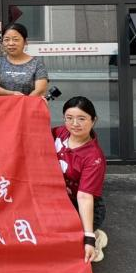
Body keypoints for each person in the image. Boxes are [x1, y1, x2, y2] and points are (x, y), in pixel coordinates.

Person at [53, 96, 108, 263]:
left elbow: (84, 197)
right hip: (59, 201)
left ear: (93, 120)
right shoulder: (61, 133)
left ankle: (94, 237)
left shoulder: (94, 158)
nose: (74, 124)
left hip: (81, 206)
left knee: (68, 249)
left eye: (82, 118)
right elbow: (34, 132)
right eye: (69, 118)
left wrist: (88, 238)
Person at [0, 23, 48, 97]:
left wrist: (23, 102)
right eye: (6, 40)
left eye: (16, 39)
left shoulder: (37, 63)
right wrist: (12, 94)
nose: (11, 43)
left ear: (25, 42)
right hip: (3, 104)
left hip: (29, 103)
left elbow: (40, 90)